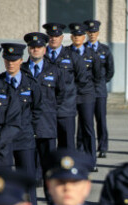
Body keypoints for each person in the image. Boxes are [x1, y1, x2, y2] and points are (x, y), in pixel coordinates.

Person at [0, 42, 43, 205]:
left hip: (25, 139)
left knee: (28, 181)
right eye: (7, 60)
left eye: (14, 60)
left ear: (21, 60)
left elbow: (38, 110)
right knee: (3, 182)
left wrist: (32, 131)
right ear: (3, 60)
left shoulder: (30, 84)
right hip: (4, 141)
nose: (11, 63)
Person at [21, 32, 66, 187]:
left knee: (48, 166)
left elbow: (61, 94)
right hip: (26, 123)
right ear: (28, 49)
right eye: (32, 47)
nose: (35, 50)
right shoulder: (21, 70)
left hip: (47, 123)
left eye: (39, 47)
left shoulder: (54, 71)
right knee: (28, 164)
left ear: (45, 50)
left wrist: (50, 109)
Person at [43, 22, 86, 151]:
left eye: (56, 36)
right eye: (51, 36)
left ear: (62, 38)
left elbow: (82, 79)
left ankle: (66, 170)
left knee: (67, 146)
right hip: (46, 110)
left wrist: (70, 93)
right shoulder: (41, 56)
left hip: (66, 109)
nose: (53, 39)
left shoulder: (72, 56)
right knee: (47, 147)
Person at [70, 22, 101, 168]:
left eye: (80, 35)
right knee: (69, 129)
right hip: (69, 95)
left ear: (84, 37)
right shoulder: (65, 53)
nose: (77, 38)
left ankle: (90, 161)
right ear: (71, 37)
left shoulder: (92, 54)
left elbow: (98, 75)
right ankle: (71, 159)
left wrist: (89, 89)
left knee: (88, 127)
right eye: (75, 35)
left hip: (86, 95)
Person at [84, 19, 115, 159]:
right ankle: (83, 147)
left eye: (94, 32)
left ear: (98, 33)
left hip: (100, 90)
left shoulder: (105, 50)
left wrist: (102, 81)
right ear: (86, 33)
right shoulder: (82, 49)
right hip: (85, 90)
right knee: (85, 120)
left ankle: (103, 147)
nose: (92, 34)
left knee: (101, 119)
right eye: (90, 32)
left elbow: (110, 70)